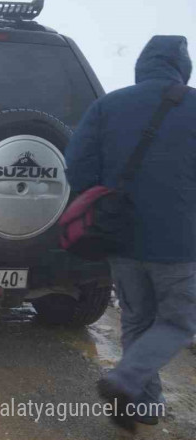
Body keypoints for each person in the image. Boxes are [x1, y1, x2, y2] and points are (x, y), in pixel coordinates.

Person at [65, 36, 195, 430]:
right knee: (178, 322)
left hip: (120, 235)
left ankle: (142, 404)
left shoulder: (109, 105)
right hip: (179, 240)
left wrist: (103, 197)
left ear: (142, 65)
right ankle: (124, 380)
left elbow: (77, 166)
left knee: (138, 320)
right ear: (182, 68)